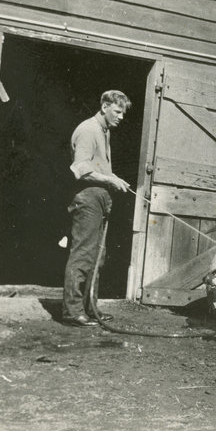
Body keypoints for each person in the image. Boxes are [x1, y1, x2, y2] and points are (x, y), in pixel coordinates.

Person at [62, 90, 132, 326]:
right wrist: (110, 180)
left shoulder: (105, 132)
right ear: (104, 106)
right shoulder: (88, 130)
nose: (121, 117)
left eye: (124, 113)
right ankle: (72, 312)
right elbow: (80, 169)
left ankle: (90, 308)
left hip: (101, 198)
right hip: (88, 198)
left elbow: (99, 167)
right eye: (118, 111)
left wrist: (115, 179)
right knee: (83, 254)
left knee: (98, 257)